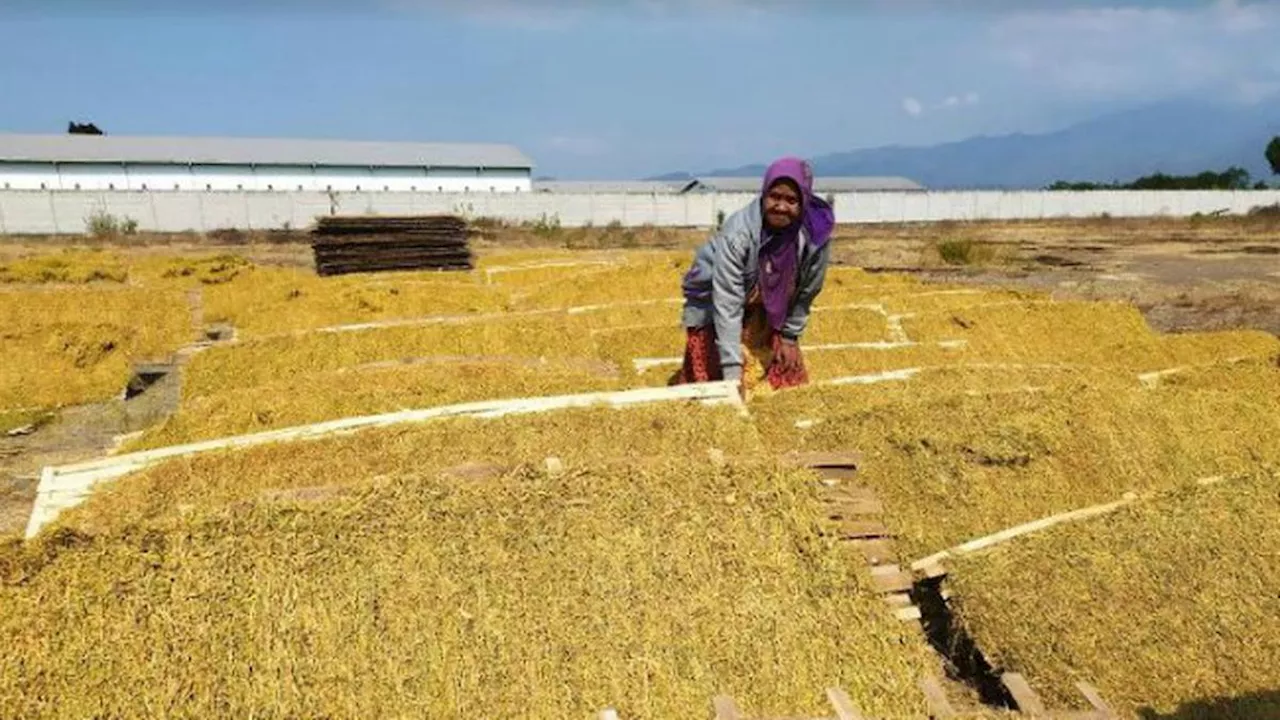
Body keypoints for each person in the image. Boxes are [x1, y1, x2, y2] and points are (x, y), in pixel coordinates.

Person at [672, 156, 835, 392]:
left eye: (791, 200)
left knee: (786, 373)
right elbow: (727, 301)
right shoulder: (739, 234)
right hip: (716, 297)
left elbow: (808, 290)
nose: (780, 206)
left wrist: (790, 337)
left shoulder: (814, 236)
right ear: (764, 194)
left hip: (768, 301)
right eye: (774, 197)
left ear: (804, 202)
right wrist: (731, 373)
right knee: (713, 383)